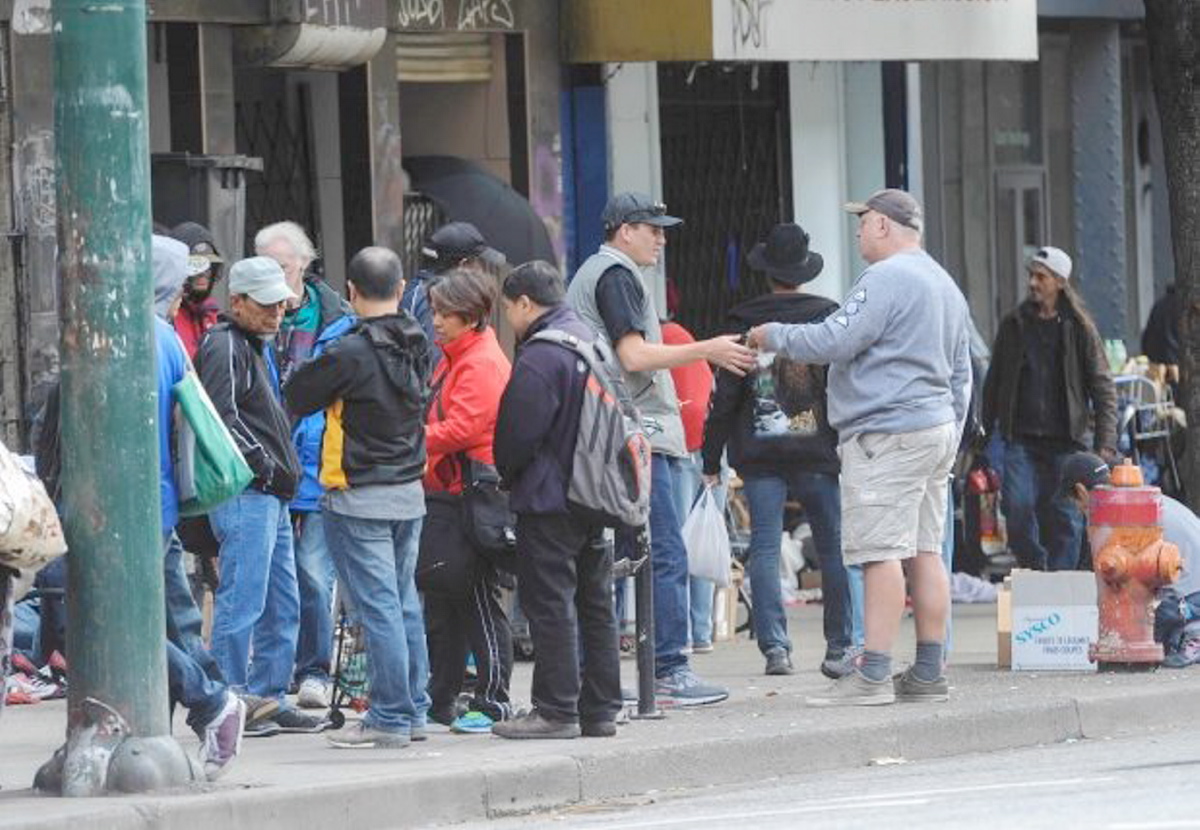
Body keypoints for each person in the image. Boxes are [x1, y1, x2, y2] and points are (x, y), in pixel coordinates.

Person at [747, 189, 971, 707]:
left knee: (880, 555)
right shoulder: (943, 283)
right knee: (925, 551)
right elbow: (963, 374)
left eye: (864, 221)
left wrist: (773, 335)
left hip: (885, 435)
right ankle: (929, 672)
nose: (858, 230)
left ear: (887, 227)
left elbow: (834, 341)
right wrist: (950, 431)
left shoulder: (885, 279)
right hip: (933, 429)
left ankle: (872, 675)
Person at [566, 192, 755, 706]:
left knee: (620, 558)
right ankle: (669, 669)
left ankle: (602, 675)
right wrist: (708, 349)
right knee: (660, 554)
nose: (662, 238)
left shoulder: (603, 275)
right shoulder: (615, 275)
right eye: (654, 228)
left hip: (619, 433)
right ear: (625, 230)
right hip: (634, 435)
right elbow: (634, 354)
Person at [284, 246, 433, 749]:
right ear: (399, 289)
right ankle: (413, 709)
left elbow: (298, 394)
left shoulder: (349, 350)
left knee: (379, 609)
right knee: (403, 602)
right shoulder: (419, 341)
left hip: (360, 493)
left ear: (349, 292)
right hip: (410, 492)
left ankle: (390, 715)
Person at [703, 222, 853, 678]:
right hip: (819, 451)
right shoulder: (828, 315)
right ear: (802, 272)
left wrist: (711, 458)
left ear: (767, 272)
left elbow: (726, 395)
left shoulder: (742, 320)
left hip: (760, 452)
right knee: (833, 548)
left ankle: (775, 649)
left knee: (764, 547)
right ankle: (839, 647)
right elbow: (842, 384)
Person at [492, 261, 622, 739]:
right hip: (598, 495)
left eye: (509, 309)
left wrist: (508, 474)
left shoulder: (542, 356)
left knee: (550, 603)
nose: (510, 318)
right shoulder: (592, 341)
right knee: (595, 602)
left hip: (550, 499)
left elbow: (516, 435)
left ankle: (556, 710)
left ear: (525, 303)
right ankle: (601, 709)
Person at [196, 257, 325, 736]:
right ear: (238, 303)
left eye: (279, 305)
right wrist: (267, 467)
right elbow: (221, 421)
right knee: (243, 601)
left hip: (268, 493)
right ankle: (230, 699)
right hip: (248, 491)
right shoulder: (225, 345)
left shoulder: (250, 344)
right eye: (266, 305)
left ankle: (267, 698)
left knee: (280, 600)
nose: (276, 313)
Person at [151, 234, 250, 779]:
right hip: (161, 503)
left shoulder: (139, 336)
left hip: (134, 509)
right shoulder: (167, 337)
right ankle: (192, 713)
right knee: (177, 619)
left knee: (118, 620)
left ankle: (210, 699)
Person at [255, 220, 352, 710]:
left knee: (314, 572)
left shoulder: (336, 320)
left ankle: (315, 667)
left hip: (316, 465)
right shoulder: (254, 322)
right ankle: (276, 667)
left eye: (284, 267)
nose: (277, 277)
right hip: (269, 465)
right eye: (267, 267)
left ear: (305, 265)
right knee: (276, 574)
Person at [981, 246, 1117, 572]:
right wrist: (984, 434)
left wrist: (1105, 444)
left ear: (1059, 281)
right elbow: (994, 382)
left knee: (1065, 518)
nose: (1032, 282)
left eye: (1040, 276)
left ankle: (1060, 584)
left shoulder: (1080, 328)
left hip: (1066, 442)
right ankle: (1038, 571)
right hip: (1021, 440)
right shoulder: (1014, 324)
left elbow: (1102, 386)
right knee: (1017, 511)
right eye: (1031, 275)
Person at [422, 267, 515, 733]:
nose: (435, 320)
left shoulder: (479, 361)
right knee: (446, 599)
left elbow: (464, 429)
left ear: (470, 316)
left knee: (477, 598)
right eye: (435, 311)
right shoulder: (455, 354)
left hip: (473, 495)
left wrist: (412, 442)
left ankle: (494, 700)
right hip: (450, 492)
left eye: (444, 313)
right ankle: (442, 699)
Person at [659, 318, 717, 654]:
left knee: (676, 543)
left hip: (680, 450)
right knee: (704, 541)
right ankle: (702, 629)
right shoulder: (687, 339)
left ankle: (680, 634)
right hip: (710, 449)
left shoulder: (658, 342)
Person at [403, 222, 506, 368]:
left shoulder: (416, 292)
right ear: (463, 265)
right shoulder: (434, 301)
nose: (481, 271)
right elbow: (437, 369)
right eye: (479, 263)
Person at [170, 221, 224, 360]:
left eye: (208, 265)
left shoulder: (213, 315)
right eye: (195, 265)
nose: (203, 273)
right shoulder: (167, 316)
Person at [1142, 283, 1180, 367]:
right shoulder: (1185, 307)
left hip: (1159, 361)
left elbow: (1147, 336)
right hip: (1177, 362)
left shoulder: (1159, 304)